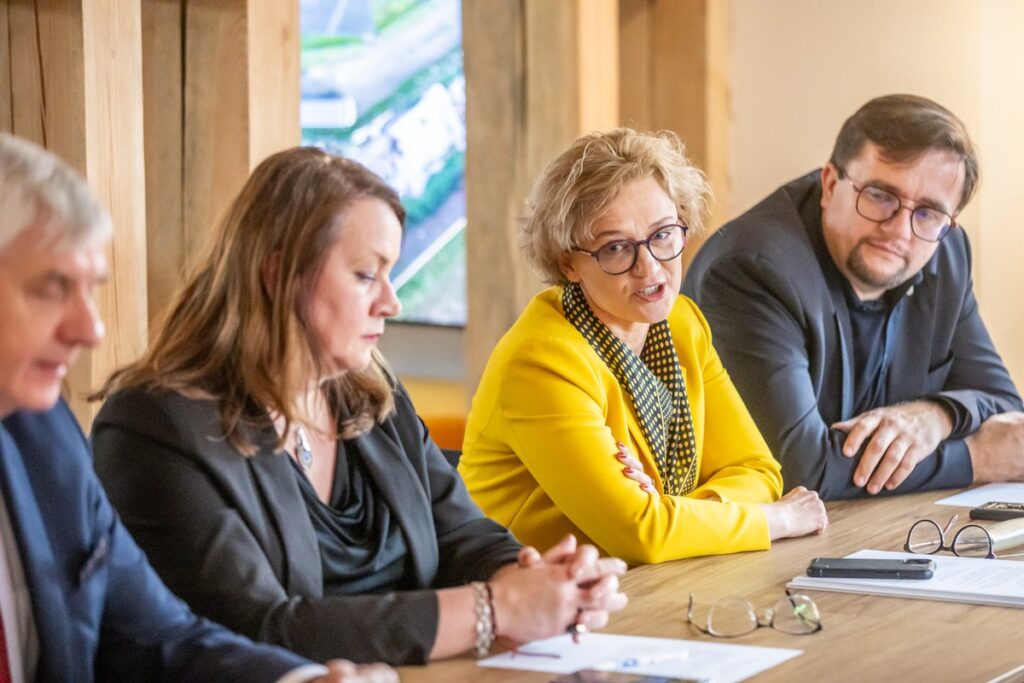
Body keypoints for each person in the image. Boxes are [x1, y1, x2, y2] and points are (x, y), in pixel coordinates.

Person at [91, 146, 627, 666]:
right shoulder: (154, 425)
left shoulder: (372, 393)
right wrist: (495, 609)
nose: (390, 302)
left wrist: (538, 580)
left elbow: (462, 536)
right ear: (278, 276)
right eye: (366, 275)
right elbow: (255, 629)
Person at [0, 133, 396, 682]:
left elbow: (158, 637)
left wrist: (300, 682)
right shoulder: (153, 421)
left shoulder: (43, 436)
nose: (90, 329)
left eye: (91, 291)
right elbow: (260, 619)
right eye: (51, 288)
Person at [458, 128, 827, 565]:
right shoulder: (541, 360)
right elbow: (643, 535)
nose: (650, 267)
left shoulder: (683, 323)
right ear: (568, 263)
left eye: (663, 234)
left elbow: (759, 471)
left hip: (642, 583)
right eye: (616, 248)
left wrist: (676, 515)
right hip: (525, 596)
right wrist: (774, 521)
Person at [683, 94, 1024, 500]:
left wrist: (935, 416)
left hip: (871, 528)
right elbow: (796, 468)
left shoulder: (945, 251)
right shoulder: (752, 269)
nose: (899, 229)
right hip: (741, 543)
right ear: (830, 184)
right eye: (880, 195)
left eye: (928, 212)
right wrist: (975, 457)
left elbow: (1003, 405)